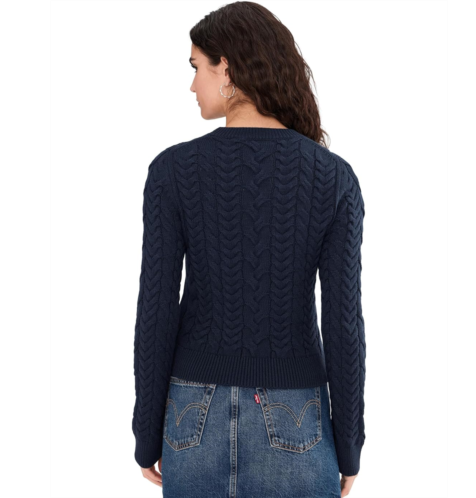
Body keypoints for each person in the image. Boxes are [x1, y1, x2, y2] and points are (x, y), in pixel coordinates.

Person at [132, 2, 366, 497]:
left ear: (227, 69)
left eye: (196, 67)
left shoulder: (172, 171)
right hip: (297, 418)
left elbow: (156, 311)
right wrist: (348, 446)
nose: (191, 85)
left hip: (191, 419)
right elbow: (343, 324)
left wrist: (147, 433)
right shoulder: (333, 177)